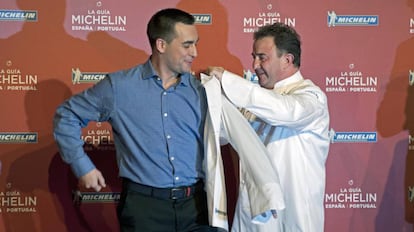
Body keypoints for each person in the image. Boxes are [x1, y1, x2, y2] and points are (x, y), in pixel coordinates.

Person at [53, 8, 218, 232]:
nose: (195, 52)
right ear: (161, 45)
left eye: (196, 44)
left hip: (196, 207)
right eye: (187, 45)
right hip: (144, 210)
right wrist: (82, 166)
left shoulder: (204, 90)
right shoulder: (119, 87)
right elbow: (67, 116)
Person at [207, 22, 330, 232]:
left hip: (293, 217)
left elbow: (284, 111)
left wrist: (227, 80)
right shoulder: (256, 99)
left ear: (287, 60)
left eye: (262, 57)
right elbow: (224, 135)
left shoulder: (312, 98)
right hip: (255, 217)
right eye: (254, 56)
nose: (254, 64)